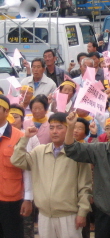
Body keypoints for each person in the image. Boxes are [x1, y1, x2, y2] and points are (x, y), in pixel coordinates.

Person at [11, 112, 92, 238]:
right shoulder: (40, 151)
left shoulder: (78, 153)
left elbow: (85, 186)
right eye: (51, 127)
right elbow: (17, 160)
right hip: (44, 215)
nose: (55, 131)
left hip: (69, 215)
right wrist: (25, 138)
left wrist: (82, 212)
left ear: (69, 128)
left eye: (59, 127)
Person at [0, 95, 31, 238]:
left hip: (11, 199)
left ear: (6, 112)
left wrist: (28, 198)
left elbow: (27, 170)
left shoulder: (20, 136)